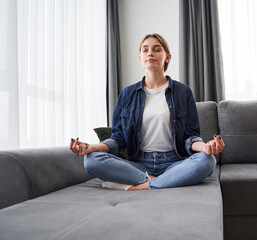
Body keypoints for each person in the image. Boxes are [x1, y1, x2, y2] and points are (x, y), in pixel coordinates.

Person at [70, 33, 225, 191]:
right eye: (145, 50)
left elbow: (190, 136)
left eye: (157, 49)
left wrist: (206, 147)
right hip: (138, 164)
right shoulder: (127, 94)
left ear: (167, 57)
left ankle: (141, 186)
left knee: (207, 161)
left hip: (173, 162)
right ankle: (160, 181)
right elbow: (118, 138)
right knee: (92, 160)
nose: (150, 53)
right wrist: (92, 148)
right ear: (140, 58)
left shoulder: (183, 92)